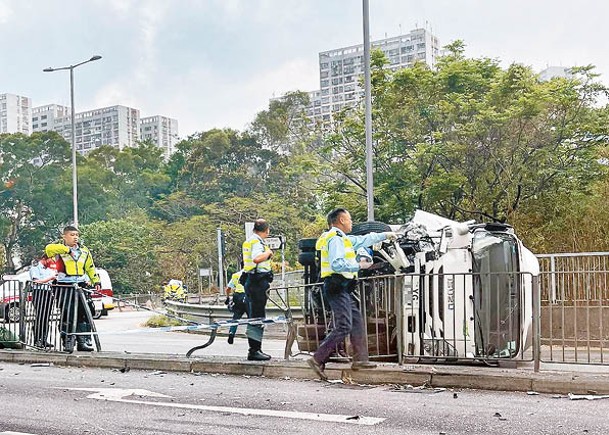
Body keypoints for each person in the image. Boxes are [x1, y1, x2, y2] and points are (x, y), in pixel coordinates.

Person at [307, 208, 397, 380]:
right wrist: (358, 266)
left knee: (356, 320)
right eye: (349, 219)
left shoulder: (343, 239)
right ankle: (317, 359)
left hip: (344, 286)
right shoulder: (335, 240)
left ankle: (360, 359)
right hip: (336, 284)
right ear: (341, 220)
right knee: (344, 325)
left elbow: (364, 239)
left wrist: (385, 235)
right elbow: (337, 264)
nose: (351, 222)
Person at [45, 225, 101, 353]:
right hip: (64, 285)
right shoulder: (58, 250)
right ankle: (68, 341)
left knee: (83, 313)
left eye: (77, 235)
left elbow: (90, 267)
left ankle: (82, 342)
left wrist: (96, 281)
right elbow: (48, 249)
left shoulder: (84, 250)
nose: (75, 237)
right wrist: (67, 250)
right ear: (64, 236)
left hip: (80, 284)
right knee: (67, 314)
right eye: (72, 235)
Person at [242, 219, 274, 361]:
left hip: (251, 280)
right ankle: (254, 350)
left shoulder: (249, 241)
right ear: (267, 230)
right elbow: (256, 259)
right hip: (257, 281)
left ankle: (255, 349)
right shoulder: (257, 242)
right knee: (257, 317)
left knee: (254, 316)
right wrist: (268, 254)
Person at [29, 254, 58, 348]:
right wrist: (51, 278)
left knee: (46, 317)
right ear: (45, 258)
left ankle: (44, 339)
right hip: (39, 292)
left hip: (48, 293)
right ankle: (37, 339)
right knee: (40, 316)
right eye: (50, 259)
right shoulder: (35, 267)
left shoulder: (49, 269)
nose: (52, 262)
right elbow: (37, 282)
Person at [224, 269, 247, 344]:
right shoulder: (252, 274)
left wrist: (227, 298)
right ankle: (252, 335)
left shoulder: (235, 275)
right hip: (248, 297)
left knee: (236, 317)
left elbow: (228, 289)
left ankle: (231, 332)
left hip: (237, 297)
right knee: (253, 318)